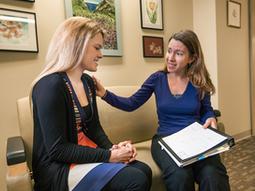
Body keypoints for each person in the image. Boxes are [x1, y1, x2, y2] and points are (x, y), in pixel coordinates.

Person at [95, 30, 230, 191]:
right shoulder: (157, 78)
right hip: (166, 140)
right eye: (169, 51)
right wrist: (104, 94)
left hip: (196, 139)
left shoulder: (199, 81)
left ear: (192, 58)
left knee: (213, 175)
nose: (170, 58)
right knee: (180, 176)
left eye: (179, 53)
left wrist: (210, 117)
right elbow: (131, 103)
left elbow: (207, 109)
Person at [30, 17, 152, 191]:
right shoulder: (49, 86)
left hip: (84, 154)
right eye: (97, 47)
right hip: (59, 167)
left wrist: (114, 148)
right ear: (77, 45)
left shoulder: (87, 82)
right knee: (135, 179)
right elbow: (58, 150)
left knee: (143, 170)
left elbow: (94, 128)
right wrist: (110, 155)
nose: (101, 54)